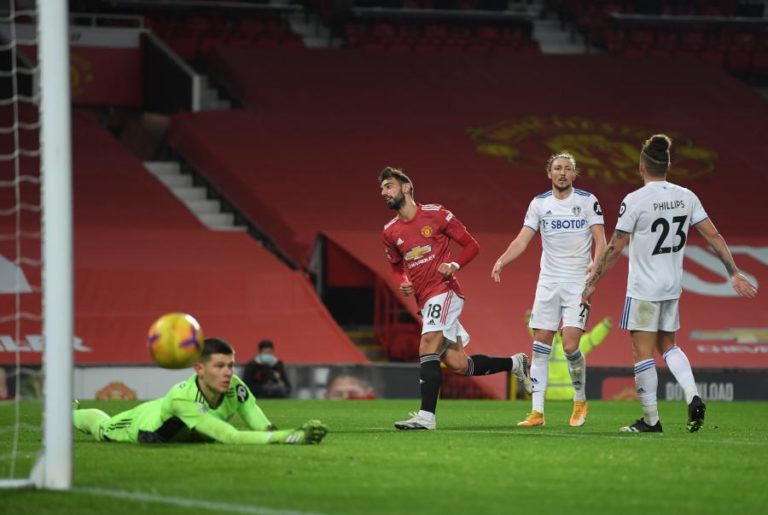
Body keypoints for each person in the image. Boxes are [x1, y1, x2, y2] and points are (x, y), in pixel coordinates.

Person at [582, 134, 758, 433]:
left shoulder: (635, 200)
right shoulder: (687, 196)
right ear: (667, 166)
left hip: (644, 289)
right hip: (672, 287)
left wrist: (592, 283)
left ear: (641, 166)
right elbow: (713, 235)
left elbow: (614, 247)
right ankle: (693, 395)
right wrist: (733, 271)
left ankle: (651, 421)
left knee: (641, 352)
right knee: (668, 345)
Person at [379, 166, 532, 431]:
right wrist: (403, 281)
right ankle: (515, 363)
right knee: (459, 364)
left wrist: (455, 266)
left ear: (406, 187)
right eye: (382, 189)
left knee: (427, 345)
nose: (384, 192)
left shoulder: (436, 215)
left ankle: (426, 417)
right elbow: (395, 267)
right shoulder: (390, 231)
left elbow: (472, 245)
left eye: (389, 186)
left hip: (445, 290)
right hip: (425, 300)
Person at [492, 152, 606, 427]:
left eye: (568, 168)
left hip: (578, 282)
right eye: (557, 168)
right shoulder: (539, 204)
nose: (563, 173)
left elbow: (601, 241)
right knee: (540, 342)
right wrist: (502, 259)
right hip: (548, 282)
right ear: (549, 173)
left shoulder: (587, 201)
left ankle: (579, 400)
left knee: (569, 345)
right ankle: (537, 412)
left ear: (574, 175)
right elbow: (523, 239)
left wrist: (594, 277)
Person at [73, 338, 327, 444]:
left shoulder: (235, 387)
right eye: (219, 366)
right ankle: (68, 414)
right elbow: (230, 437)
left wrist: (278, 433)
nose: (228, 372)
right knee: (103, 429)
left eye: (230, 365)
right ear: (200, 369)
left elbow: (257, 419)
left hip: (184, 421)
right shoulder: (182, 398)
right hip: (143, 429)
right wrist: (291, 438)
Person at [522, 310, 612, 401]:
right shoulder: (573, 345)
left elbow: (592, 338)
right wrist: (604, 326)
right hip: (564, 395)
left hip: (553, 395)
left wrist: (604, 326)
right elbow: (592, 338)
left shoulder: (549, 344)